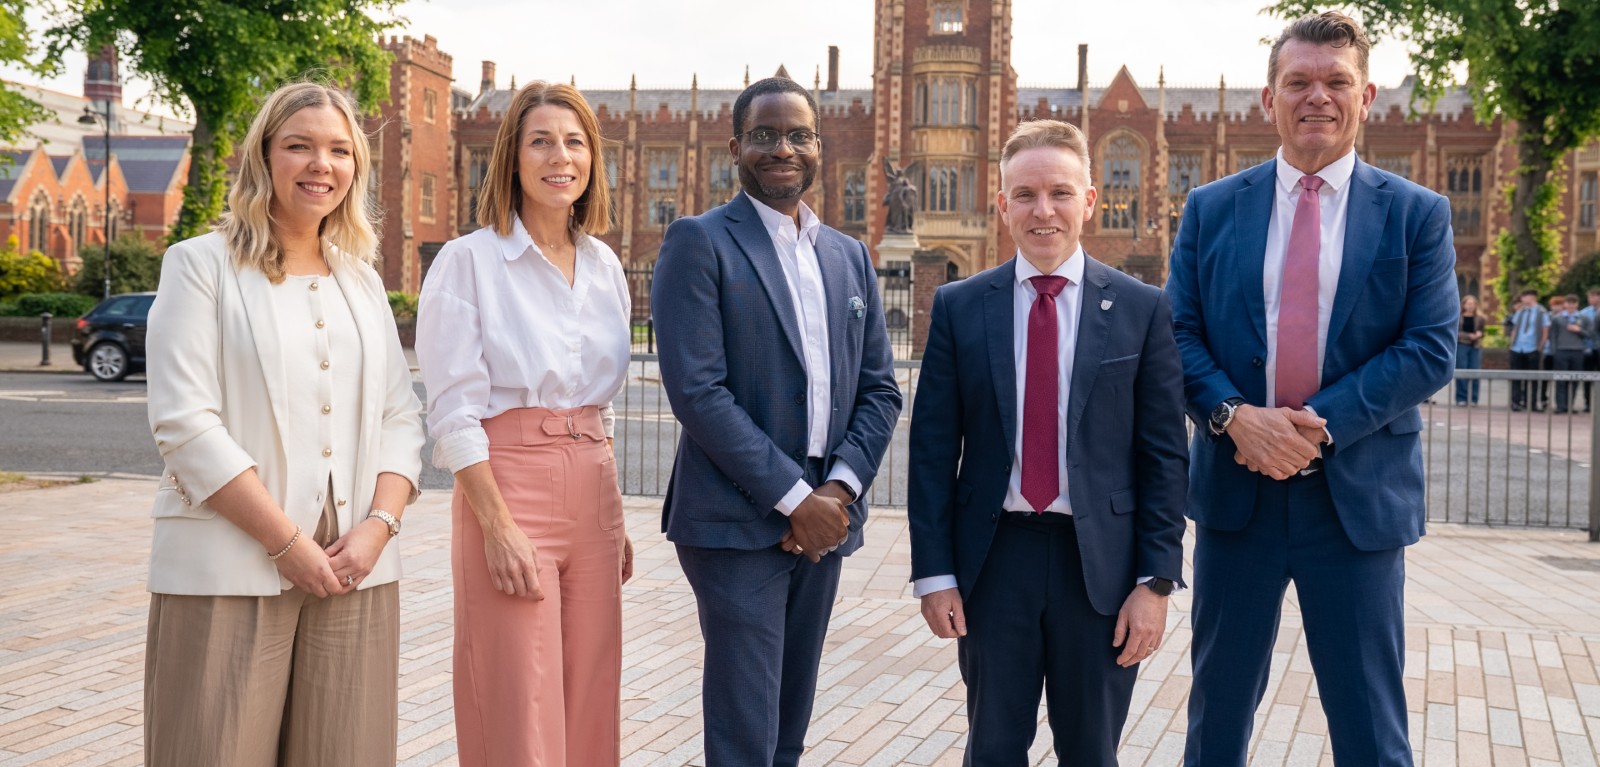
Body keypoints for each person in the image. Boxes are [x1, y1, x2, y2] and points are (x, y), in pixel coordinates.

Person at [1166, 11, 1457, 766]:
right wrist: (1235, 419)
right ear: (1269, 100)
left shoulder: (1418, 215)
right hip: (1238, 499)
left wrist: (1310, 426)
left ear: (1367, 100)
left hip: (1355, 504)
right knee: (1217, 720)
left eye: (1336, 82)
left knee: (1370, 728)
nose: (1316, 97)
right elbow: (1178, 334)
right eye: (1298, 82)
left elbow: (1430, 347)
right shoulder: (1212, 208)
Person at [143, 81, 425, 766]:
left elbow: (400, 416)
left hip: (356, 570)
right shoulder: (199, 266)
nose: (319, 164)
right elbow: (185, 423)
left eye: (337, 150)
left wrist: (377, 529)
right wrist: (286, 541)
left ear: (355, 165)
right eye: (298, 146)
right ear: (263, 157)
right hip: (228, 565)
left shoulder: (361, 280)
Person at [907, 119, 1188, 766]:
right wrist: (934, 573)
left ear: (1089, 200)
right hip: (993, 561)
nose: (1044, 210)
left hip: (1104, 571)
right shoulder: (959, 305)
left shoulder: (1143, 310)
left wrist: (1157, 580)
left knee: (1091, 751)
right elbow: (930, 451)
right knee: (994, 747)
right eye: (1026, 194)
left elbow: (1165, 455)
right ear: (1002, 204)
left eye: (1060, 192)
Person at [651, 76, 902, 767]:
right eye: (764, 135)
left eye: (797, 134)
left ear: (819, 147)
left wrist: (839, 493)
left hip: (829, 512)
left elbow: (880, 390)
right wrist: (795, 500)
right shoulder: (699, 242)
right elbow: (698, 392)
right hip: (736, 520)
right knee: (744, 729)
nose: (781, 148)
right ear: (736, 146)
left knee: (789, 720)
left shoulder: (848, 255)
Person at [415, 81, 634, 767]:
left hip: (592, 489)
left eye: (574, 143)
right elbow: (452, 407)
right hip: (509, 485)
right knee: (517, 700)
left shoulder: (606, 266)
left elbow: (596, 405)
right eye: (540, 141)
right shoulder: (468, 261)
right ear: (512, 156)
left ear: (592, 159)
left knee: (592, 697)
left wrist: (616, 511)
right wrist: (497, 524)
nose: (559, 157)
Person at [1505, 289, 1549, 412]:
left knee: (1533, 378)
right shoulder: (1520, 312)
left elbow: (1545, 331)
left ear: (1532, 297)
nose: (1522, 299)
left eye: (1525, 297)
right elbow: (1514, 329)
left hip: (1532, 348)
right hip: (1518, 348)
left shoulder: (1541, 312)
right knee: (1516, 377)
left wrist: (1539, 347)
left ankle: (1532, 403)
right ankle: (1516, 402)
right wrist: (1511, 345)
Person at [1548, 294, 1592, 413]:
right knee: (1560, 379)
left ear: (1577, 304)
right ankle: (1560, 406)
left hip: (1577, 351)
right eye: (1568, 303)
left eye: (1573, 303)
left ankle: (1569, 405)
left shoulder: (1584, 318)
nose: (1571, 305)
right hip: (1562, 351)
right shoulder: (1558, 319)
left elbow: (1590, 334)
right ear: (1565, 304)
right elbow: (1553, 336)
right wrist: (1554, 351)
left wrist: (1579, 331)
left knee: (1574, 379)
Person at [1455, 295, 1484, 406]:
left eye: (1473, 303)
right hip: (1462, 346)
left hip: (1475, 347)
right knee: (1462, 371)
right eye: (1468, 303)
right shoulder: (1458, 317)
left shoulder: (1480, 318)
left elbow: (1482, 331)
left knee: (1475, 372)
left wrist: (1479, 335)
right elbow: (1455, 333)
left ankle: (1474, 398)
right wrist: (1468, 336)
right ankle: (1461, 398)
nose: (1471, 306)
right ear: (1464, 305)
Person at [1582, 287, 1600, 411]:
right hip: (1588, 349)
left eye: (1592, 296)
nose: (1590, 299)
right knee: (1587, 377)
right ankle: (1588, 403)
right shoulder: (1584, 312)